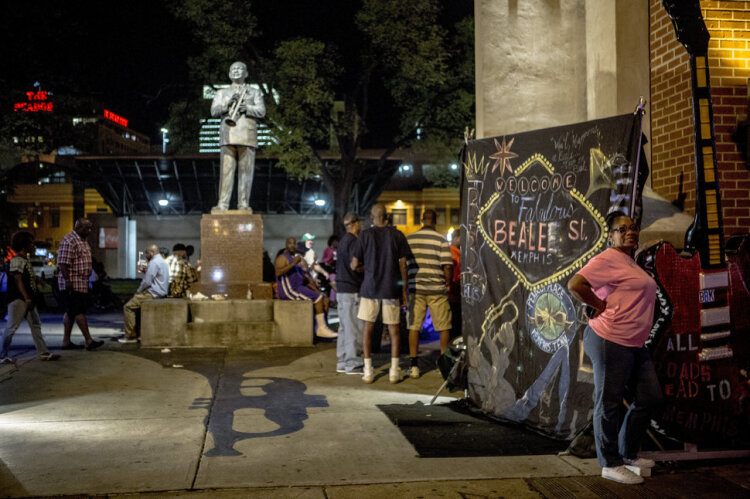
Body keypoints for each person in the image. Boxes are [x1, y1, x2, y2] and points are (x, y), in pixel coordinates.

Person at [567, 211, 662, 485]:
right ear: (610, 235)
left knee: (650, 397)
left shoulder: (630, 262)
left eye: (633, 228)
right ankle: (609, 463)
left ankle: (628, 453)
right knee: (608, 402)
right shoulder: (608, 258)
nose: (629, 232)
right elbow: (576, 284)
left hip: (633, 343)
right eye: (622, 228)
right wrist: (598, 305)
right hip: (611, 340)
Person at [350, 203, 410, 384]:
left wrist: (365, 270)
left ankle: (368, 371)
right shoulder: (397, 235)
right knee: (394, 330)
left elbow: (354, 264)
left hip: (370, 288)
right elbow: (402, 265)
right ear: (387, 216)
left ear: (372, 216)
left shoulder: (365, 235)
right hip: (391, 288)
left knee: (367, 329)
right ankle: (394, 370)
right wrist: (404, 290)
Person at [211, 61, 266, 212]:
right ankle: (222, 204)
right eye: (233, 69)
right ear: (229, 74)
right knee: (226, 172)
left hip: (247, 135)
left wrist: (246, 107)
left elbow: (261, 111)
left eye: (240, 68)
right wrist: (228, 104)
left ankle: (243, 204)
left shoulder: (254, 92)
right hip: (228, 134)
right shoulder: (221, 92)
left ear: (246, 73)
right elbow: (214, 111)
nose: (236, 71)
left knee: (246, 173)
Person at [405, 209, 453, 378]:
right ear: (436, 220)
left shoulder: (410, 239)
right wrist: (447, 283)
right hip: (436, 289)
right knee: (443, 326)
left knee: (414, 326)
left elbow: (404, 264)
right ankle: (443, 364)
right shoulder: (440, 239)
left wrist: (406, 285)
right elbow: (447, 265)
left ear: (421, 220)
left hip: (416, 288)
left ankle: (414, 365)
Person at [1, 231, 60, 363]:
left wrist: (37, 279)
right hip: (19, 300)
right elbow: (17, 279)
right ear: (24, 246)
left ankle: (43, 353)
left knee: (35, 325)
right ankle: (2, 355)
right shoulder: (17, 260)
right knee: (11, 328)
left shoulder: (24, 260)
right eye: (31, 244)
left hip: (28, 299)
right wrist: (26, 297)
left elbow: (24, 277)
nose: (33, 246)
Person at [275, 237, 337, 339]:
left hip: (297, 288)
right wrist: (293, 264)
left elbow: (305, 279)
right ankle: (321, 328)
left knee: (321, 297)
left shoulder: (295, 259)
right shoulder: (283, 258)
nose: (292, 245)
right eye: (290, 243)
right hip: (289, 291)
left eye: (294, 243)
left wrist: (316, 289)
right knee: (318, 298)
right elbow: (278, 273)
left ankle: (321, 329)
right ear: (286, 244)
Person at [57, 218, 103, 350]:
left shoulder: (82, 241)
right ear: (78, 227)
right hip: (72, 282)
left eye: (90, 228)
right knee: (79, 311)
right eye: (87, 228)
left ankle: (66, 342)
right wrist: (67, 280)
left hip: (81, 283)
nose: (89, 231)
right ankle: (89, 340)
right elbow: (63, 263)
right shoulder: (69, 240)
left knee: (71, 312)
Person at [120, 244, 170, 344]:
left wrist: (138, 291)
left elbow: (147, 281)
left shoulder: (154, 262)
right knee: (137, 308)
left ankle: (130, 336)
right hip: (161, 292)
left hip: (153, 293)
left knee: (128, 307)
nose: (146, 255)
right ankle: (138, 333)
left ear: (152, 252)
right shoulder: (162, 262)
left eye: (147, 253)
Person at [335, 213, 364, 375]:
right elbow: (355, 265)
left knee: (344, 327)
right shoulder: (353, 241)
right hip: (352, 288)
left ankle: (342, 360)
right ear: (356, 223)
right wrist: (366, 269)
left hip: (341, 288)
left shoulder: (342, 241)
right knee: (353, 327)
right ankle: (352, 363)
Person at [448, 232, 462, 338]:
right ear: (456, 238)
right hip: (455, 293)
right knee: (455, 322)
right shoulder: (455, 253)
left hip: (453, 293)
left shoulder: (453, 251)